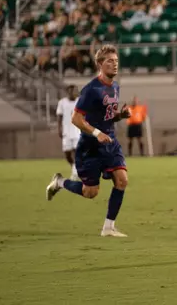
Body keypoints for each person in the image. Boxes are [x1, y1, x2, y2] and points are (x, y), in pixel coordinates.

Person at [45, 45, 132, 237]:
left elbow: (107, 116)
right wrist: (96, 133)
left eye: (116, 61)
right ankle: (60, 182)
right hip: (90, 147)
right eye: (110, 61)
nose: (115, 64)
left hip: (109, 142)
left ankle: (108, 227)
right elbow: (76, 119)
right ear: (100, 64)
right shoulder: (91, 89)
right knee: (90, 192)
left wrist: (120, 115)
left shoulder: (115, 87)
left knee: (122, 180)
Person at [56, 85, 81, 180]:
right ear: (68, 92)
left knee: (77, 151)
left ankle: (75, 172)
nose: (74, 93)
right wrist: (59, 128)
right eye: (72, 91)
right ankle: (74, 167)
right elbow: (59, 116)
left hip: (77, 131)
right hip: (66, 132)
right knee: (67, 153)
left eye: (75, 91)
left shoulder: (80, 101)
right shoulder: (62, 102)